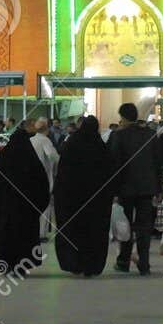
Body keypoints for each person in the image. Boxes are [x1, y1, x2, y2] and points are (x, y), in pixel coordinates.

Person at [0, 113, 49, 278]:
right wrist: (38, 207)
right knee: (24, 238)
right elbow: (42, 185)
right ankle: (21, 266)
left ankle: (4, 265)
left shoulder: (1, 160)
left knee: (4, 237)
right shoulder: (31, 160)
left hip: (4, 211)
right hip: (26, 211)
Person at [55, 114, 117, 277]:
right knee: (94, 232)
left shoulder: (71, 145)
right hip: (96, 202)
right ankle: (92, 265)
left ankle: (74, 263)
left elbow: (62, 173)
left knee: (74, 231)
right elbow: (109, 174)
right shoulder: (101, 148)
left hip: (72, 200)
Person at [107, 102, 162, 275]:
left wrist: (113, 190)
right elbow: (158, 163)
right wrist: (158, 188)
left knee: (125, 226)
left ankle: (124, 261)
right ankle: (144, 264)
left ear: (122, 117)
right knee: (144, 227)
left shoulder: (118, 136)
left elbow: (113, 164)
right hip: (147, 188)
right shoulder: (151, 135)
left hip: (125, 189)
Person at [29, 116, 60, 239]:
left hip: (31, 177)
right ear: (47, 129)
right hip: (43, 178)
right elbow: (52, 156)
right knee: (44, 205)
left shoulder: (30, 140)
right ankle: (41, 234)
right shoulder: (45, 140)